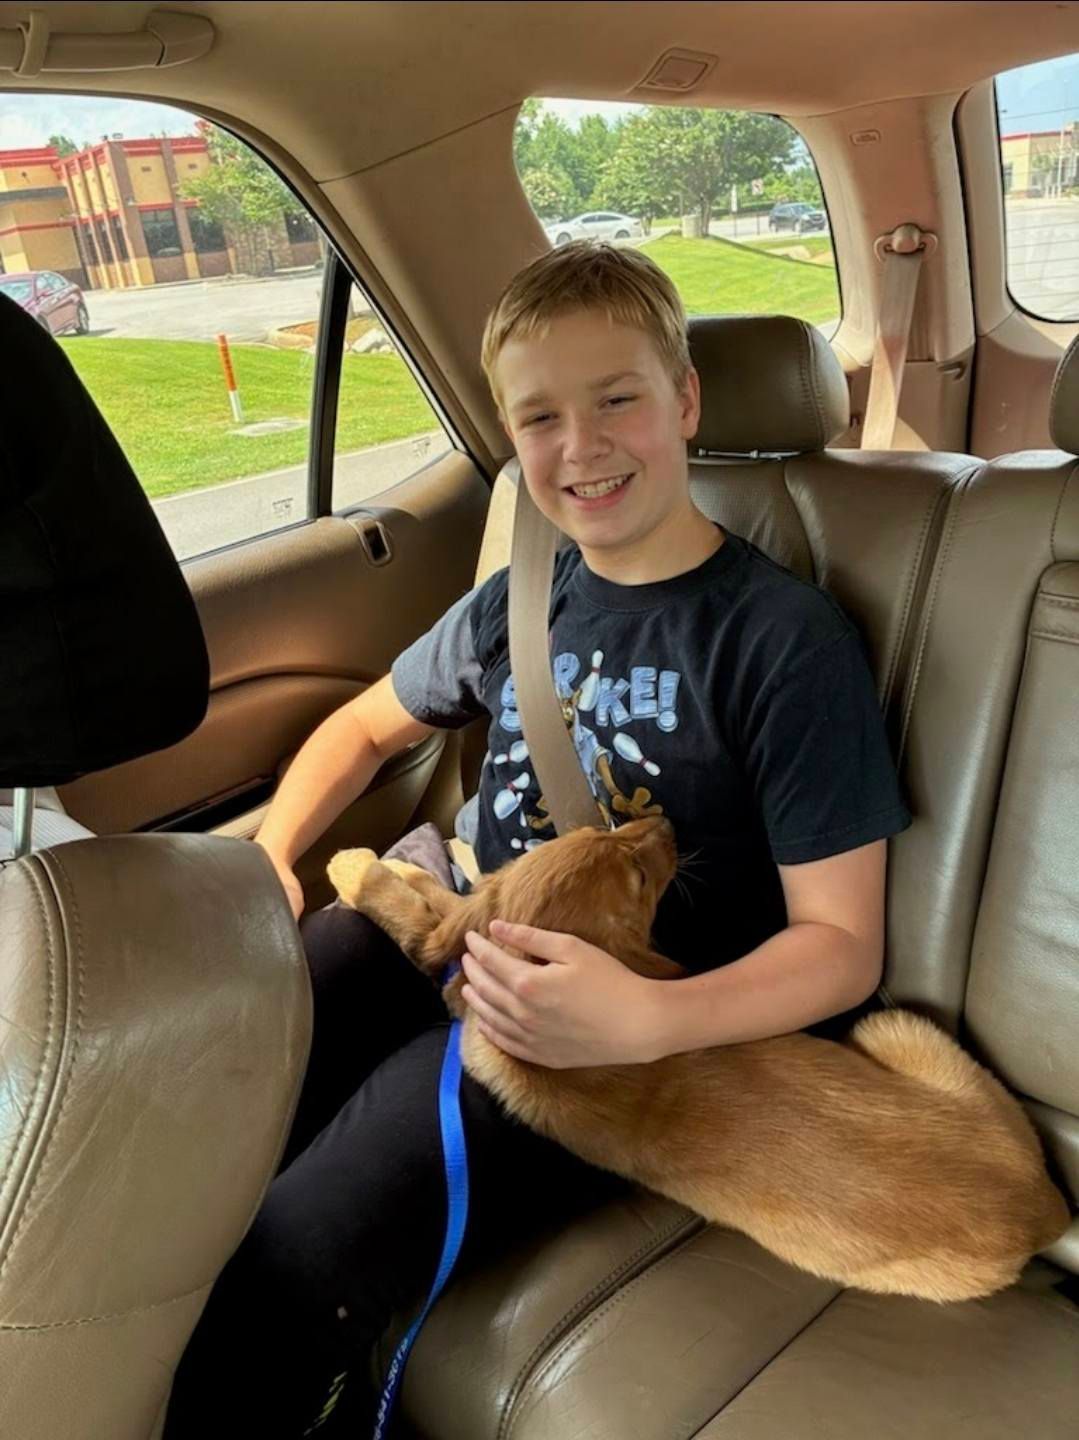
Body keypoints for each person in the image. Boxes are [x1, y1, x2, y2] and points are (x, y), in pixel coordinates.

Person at [163, 241, 910, 1437]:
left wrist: (648, 1018)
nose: (581, 446)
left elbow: (840, 944)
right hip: (448, 930)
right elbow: (359, 730)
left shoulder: (780, 642)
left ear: (685, 400)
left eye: (617, 399)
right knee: (208, 1086)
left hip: (612, 1040)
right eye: (539, 416)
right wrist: (266, 864)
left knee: (299, 1250)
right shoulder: (524, 594)